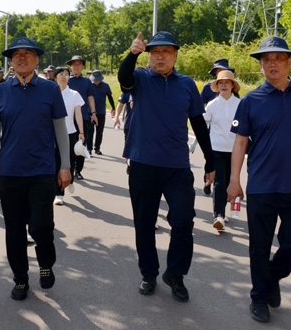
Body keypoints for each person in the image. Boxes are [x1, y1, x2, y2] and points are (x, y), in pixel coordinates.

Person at [227, 36, 291, 323]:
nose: (272, 63)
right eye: (266, 59)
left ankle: (270, 279)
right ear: (260, 66)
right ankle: (259, 297)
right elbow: (240, 143)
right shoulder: (250, 100)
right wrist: (234, 181)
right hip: (262, 185)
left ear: (289, 62)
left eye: (278, 58)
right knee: (259, 245)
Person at [118, 31, 215, 302]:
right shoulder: (139, 78)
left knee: (183, 220)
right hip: (143, 163)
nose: (161, 57)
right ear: (149, 56)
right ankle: (148, 274)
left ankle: (176, 274)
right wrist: (132, 53)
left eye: (167, 52)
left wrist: (210, 158)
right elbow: (124, 77)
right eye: (155, 52)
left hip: (177, 166)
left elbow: (197, 122)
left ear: (175, 55)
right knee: (145, 223)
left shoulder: (186, 85)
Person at [0, 37, 71, 301]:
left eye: (27, 53)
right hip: (10, 172)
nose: (21, 57)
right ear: (12, 61)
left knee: (42, 226)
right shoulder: (1, 91)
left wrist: (65, 165)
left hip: (42, 171)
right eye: (16, 54)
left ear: (36, 60)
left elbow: (60, 130)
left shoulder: (50, 89)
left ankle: (45, 264)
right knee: (15, 228)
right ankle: (20, 278)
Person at [202, 70, 241, 233]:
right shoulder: (212, 105)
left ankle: (226, 211)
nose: (224, 85)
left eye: (227, 82)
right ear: (217, 86)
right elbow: (202, 124)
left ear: (233, 86)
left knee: (232, 181)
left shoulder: (240, 104)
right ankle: (219, 215)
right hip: (216, 149)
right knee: (220, 183)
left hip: (235, 151)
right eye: (220, 83)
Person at [52, 66, 84, 206]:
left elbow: (78, 114)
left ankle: (70, 180)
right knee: (56, 162)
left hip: (70, 133)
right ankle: (59, 193)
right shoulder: (51, 92)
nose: (64, 77)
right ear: (55, 77)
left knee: (70, 162)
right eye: (61, 74)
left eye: (66, 74)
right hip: (53, 133)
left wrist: (81, 132)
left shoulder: (74, 94)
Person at [67, 56, 97, 177]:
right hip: (67, 117)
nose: (76, 66)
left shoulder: (87, 81)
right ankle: (68, 168)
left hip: (83, 117)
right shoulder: (67, 80)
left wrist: (94, 113)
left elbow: (90, 97)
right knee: (68, 144)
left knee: (81, 144)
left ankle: (78, 170)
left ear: (83, 67)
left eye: (79, 64)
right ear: (71, 67)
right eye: (74, 64)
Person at [88, 70, 115, 155]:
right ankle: (89, 149)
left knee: (99, 132)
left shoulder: (105, 86)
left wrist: (113, 108)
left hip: (101, 112)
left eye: (98, 79)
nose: (96, 81)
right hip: (90, 112)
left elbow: (110, 97)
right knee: (90, 131)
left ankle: (97, 148)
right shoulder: (89, 85)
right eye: (95, 79)